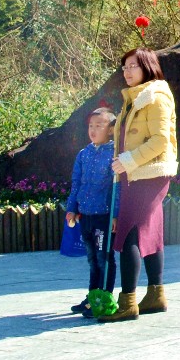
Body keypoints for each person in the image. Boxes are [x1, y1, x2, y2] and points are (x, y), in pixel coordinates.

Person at [97, 46, 177, 322]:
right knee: (150, 233)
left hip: (148, 174)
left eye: (132, 66)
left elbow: (160, 140)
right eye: (124, 67)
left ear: (147, 66)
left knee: (129, 234)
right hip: (137, 175)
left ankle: (127, 302)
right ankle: (155, 295)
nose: (126, 71)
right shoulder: (135, 99)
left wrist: (129, 160)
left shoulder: (155, 98)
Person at [65, 106, 116, 317]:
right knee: (92, 258)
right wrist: (71, 208)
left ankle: (104, 298)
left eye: (99, 125)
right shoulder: (83, 154)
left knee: (104, 257)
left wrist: (116, 214)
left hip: (104, 215)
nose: (93, 130)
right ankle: (91, 298)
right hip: (85, 215)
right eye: (91, 126)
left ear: (111, 129)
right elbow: (76, 183)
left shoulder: (115, 155)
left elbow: (118, 187)